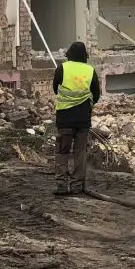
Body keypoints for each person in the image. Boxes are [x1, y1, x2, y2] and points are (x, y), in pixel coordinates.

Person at [52, 41, 100, 196]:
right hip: (83, 119)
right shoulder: (90, 70)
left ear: (69, 55)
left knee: (62, 151)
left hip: (64, 118)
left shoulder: (62, 68)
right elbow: (97, 94)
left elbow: (55, 88)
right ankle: (76, 186)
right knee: (80, 153)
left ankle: (61, 185)